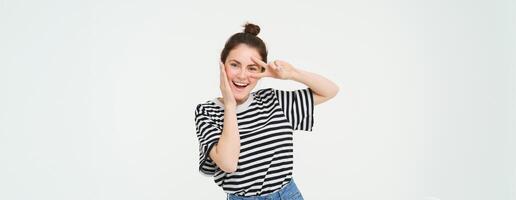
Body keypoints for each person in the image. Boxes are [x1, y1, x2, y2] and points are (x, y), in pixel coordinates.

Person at [194, 22, 339, 200]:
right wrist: (230, 106)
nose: (242, 75)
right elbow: (228, 163)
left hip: (288, 194)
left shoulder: (273, 100)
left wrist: (292, 74)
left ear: (262, 71)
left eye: (252, 68)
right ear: (222, 65)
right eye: (234, 65)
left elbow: (330, 91)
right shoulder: (207, 112)